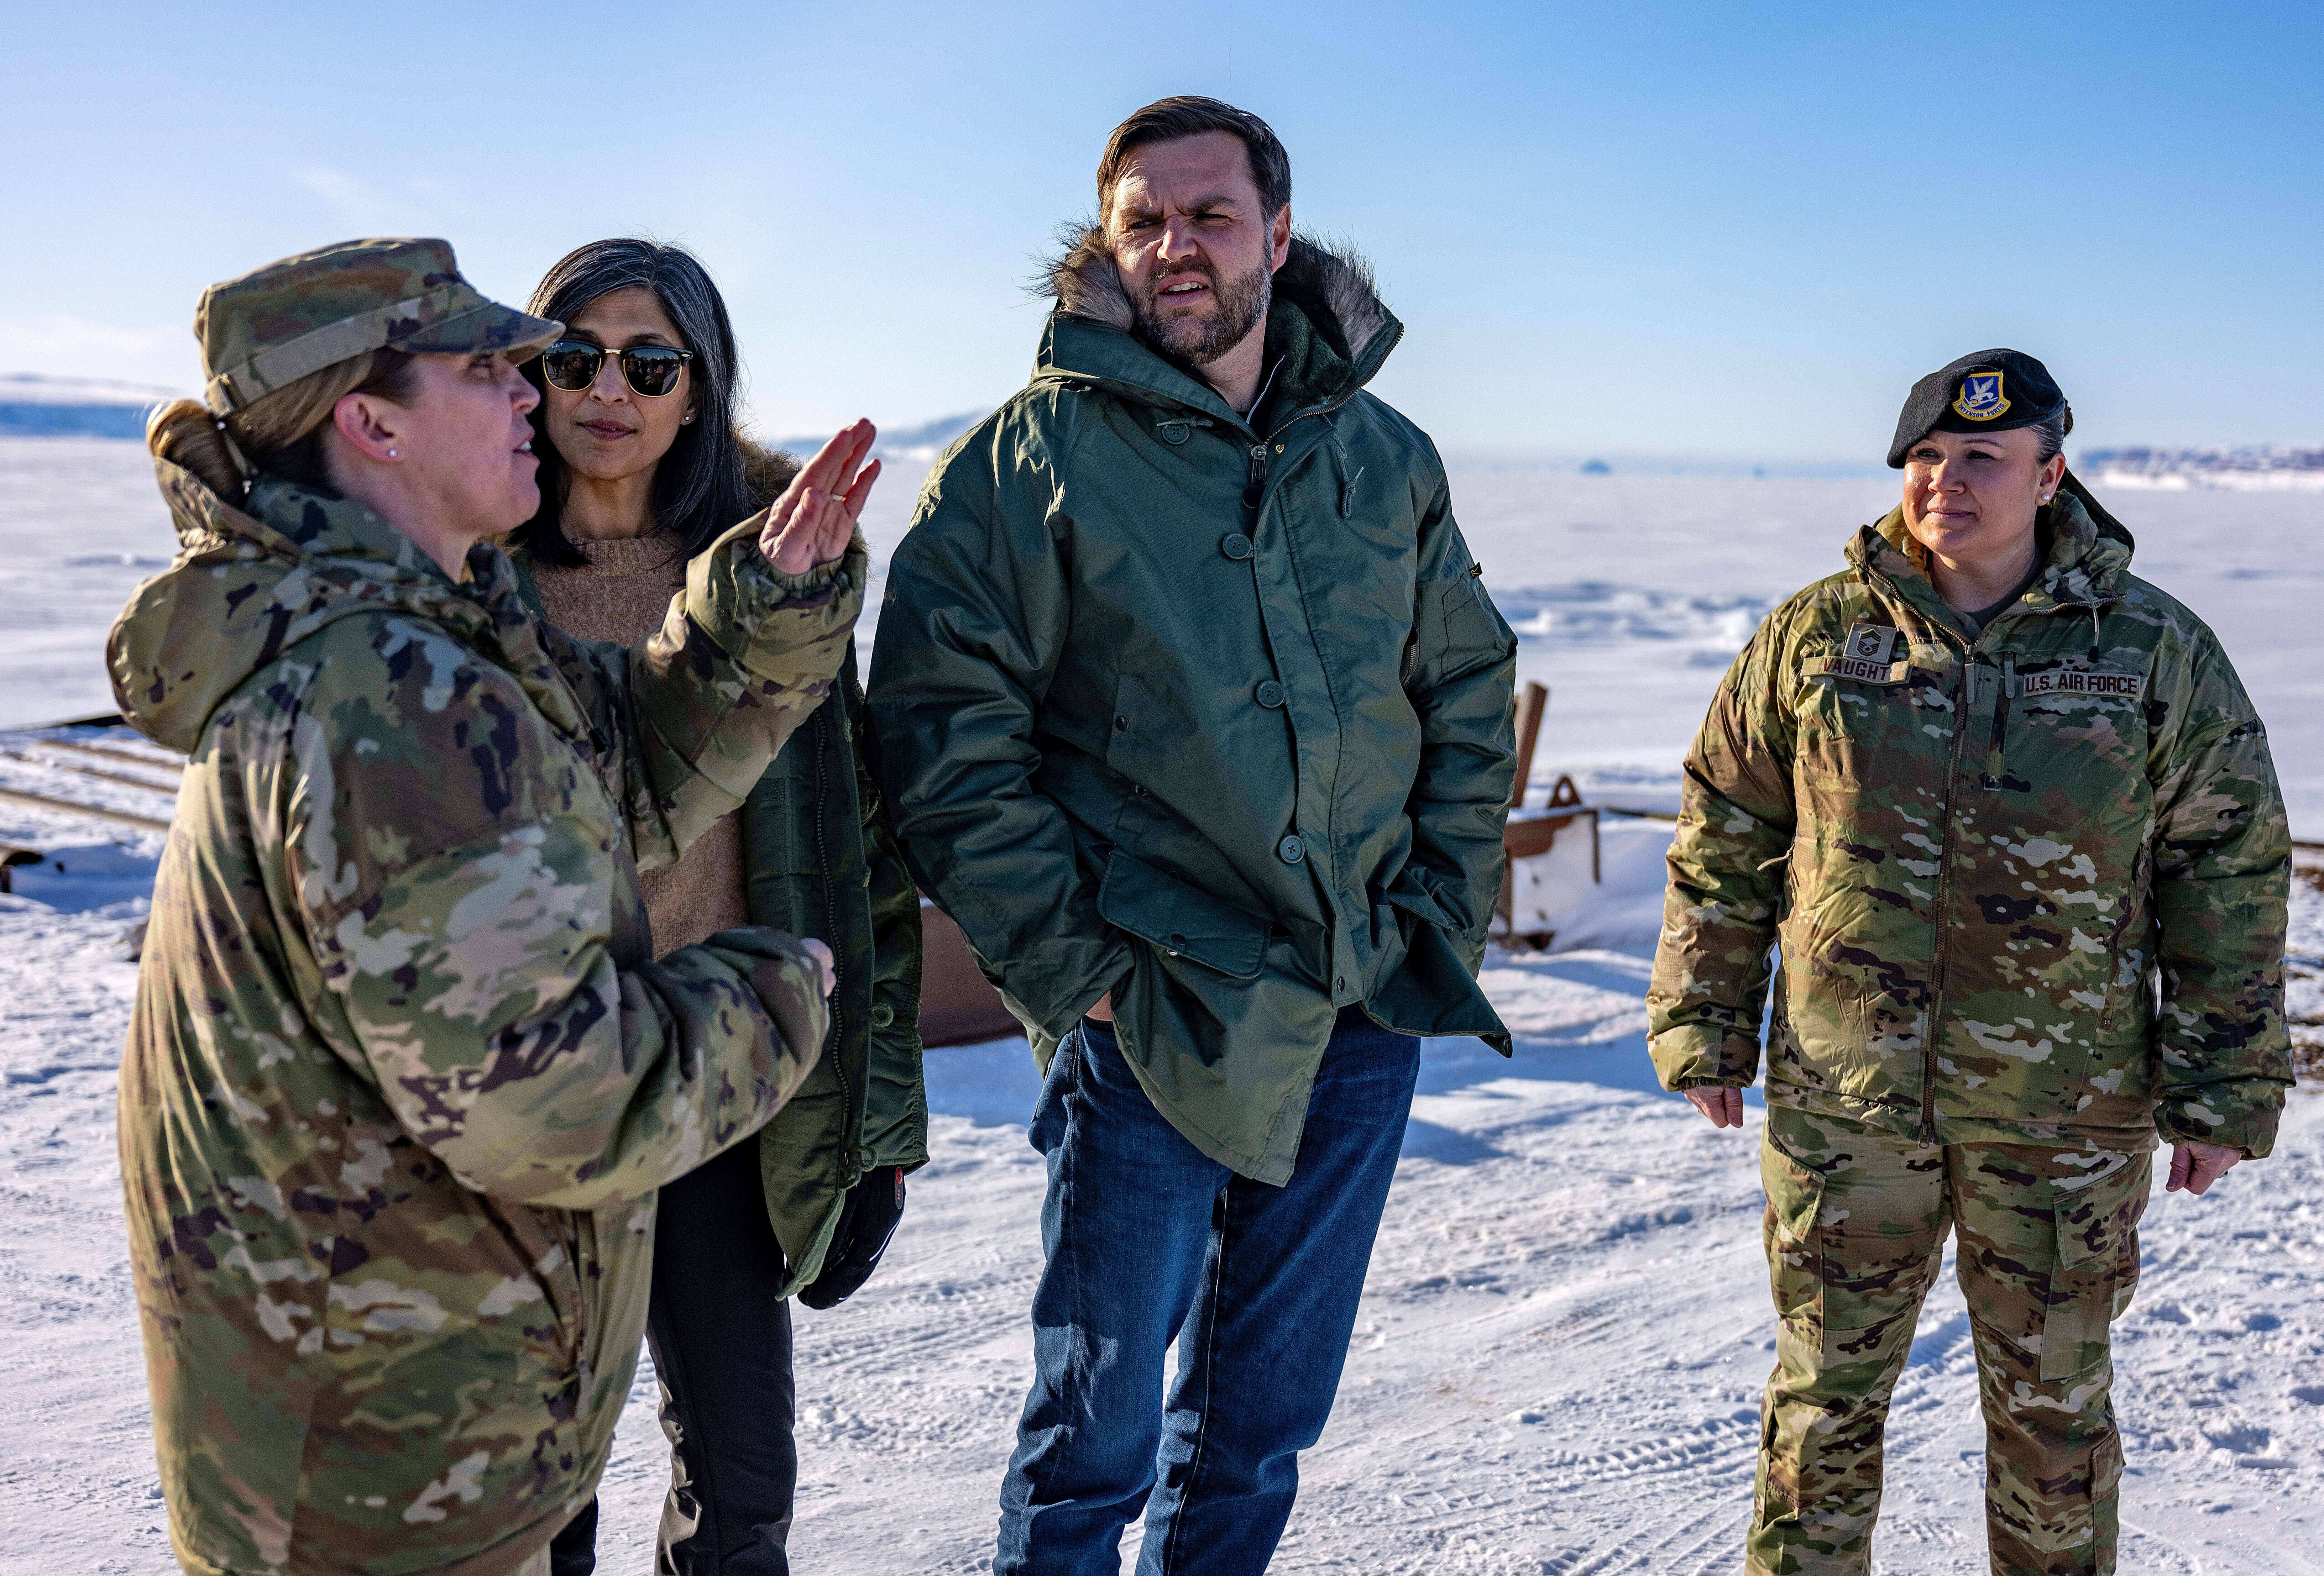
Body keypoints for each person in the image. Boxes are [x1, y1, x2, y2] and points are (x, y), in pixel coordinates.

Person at [109, 236, 880, 1576]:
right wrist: (775, 996)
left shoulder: (416, 634)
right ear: (373, 424)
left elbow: (621, 771)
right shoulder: (388, 697)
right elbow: (556, 1101)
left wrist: (757, 617)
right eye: (494, 368)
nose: (539, 392)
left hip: (402, 1407)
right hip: (391, 1463)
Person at [865, 96, 1519, 1573]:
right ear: (1106, 242)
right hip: (1153, 1011)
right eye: (1143, 220)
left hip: (1361, 997)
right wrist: (1073, 965)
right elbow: (943, 738)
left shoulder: (1383, 457)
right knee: (1091, 1445)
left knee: (1261, 1430)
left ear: (1277, 241)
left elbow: (1466, 684)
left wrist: (1439, 906)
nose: (1176, 248)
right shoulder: (1022, 467)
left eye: (1210, 217)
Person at [1646, 349, 2291, 1574]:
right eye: (1926, 460)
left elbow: (2232, 866)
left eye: (1982, 458)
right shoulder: (1818, 637)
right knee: (1821, 1410)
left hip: (2067, 1116)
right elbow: (1727, 827)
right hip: (1850, 1106)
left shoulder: (2151, 652)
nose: (1946, 481)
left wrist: (2225, 1085)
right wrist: (1704, 1017)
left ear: (2051, 476)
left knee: (2053, 1426)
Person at [506, 238, 926, 1576]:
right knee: (534, 1494)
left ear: (699, 389)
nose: (608, 390)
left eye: (649, 361)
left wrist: (880, 1115)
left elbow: (854, 855)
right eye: (574, 356)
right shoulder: (477, 581)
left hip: (719, 1077)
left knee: (743, 1481)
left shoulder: (772, 587)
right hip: (534, 1095)